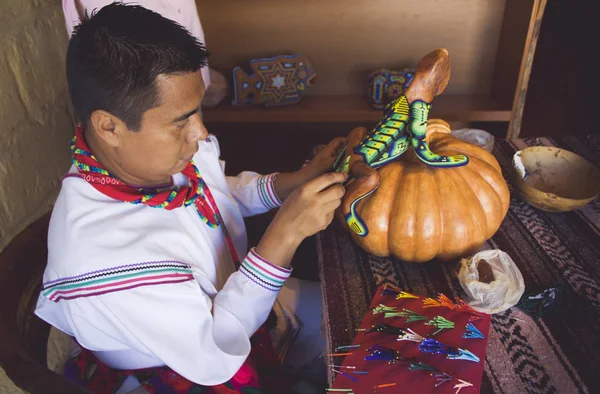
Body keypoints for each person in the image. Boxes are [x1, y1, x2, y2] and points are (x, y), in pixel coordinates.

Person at [35, 3, 347, 393]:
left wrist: (294, 182)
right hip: (192, 367)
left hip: (237, 299)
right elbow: (216, 345)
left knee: (364, 322)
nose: (200, 133)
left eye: (197, 110)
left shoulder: (144, 159)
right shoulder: (104, 258)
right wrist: (283, 237)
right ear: (109, 126)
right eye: (181, 120)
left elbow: (215, 194)